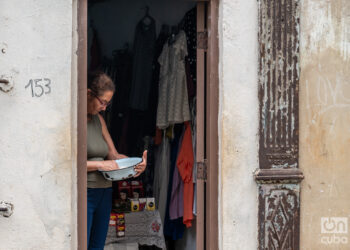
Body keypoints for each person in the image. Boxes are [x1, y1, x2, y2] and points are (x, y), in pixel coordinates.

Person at [86, 71, 147, 249]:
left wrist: (135, 165)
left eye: (108, 103)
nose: (105, 107)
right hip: (85, 193)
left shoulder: (99, 120)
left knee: (97, 246)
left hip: (104, 192)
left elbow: (113, 156)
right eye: (103, 102)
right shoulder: (74, 121)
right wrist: (100, 164)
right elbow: (69, 164)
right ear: (89, 94)